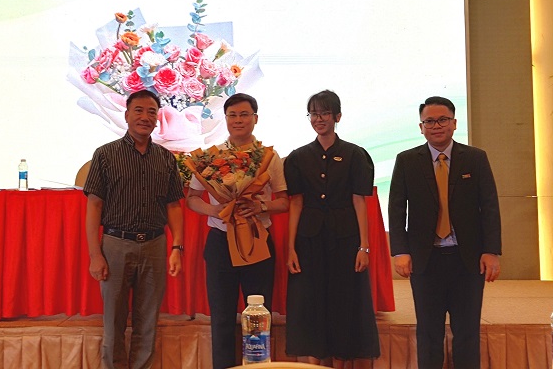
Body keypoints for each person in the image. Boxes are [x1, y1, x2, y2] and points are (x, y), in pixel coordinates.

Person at [388, 96, 502, 369]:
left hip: (468, 259)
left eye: (442, 120)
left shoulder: (475, 158)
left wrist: (491, 251)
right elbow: (396, 208)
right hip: (426, 259)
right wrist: (400, 251)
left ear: (454, 123)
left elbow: (489, 206)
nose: (436, 126)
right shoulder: (407, 160)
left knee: (467, 331)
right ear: (421, 127)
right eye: (429, 121)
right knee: (428, 332)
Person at [186, 93, 289, 369]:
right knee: (221, 317)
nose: (238, 120)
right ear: (226, 119)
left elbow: (283, 201)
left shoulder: (268, 157)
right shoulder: (211, 157)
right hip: (220, 242)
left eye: (244, 115)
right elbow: (192, 199)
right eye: (233, 115)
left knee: (258, 318)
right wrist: (215, 209)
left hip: (257, 240)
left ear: (255, 118)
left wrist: (260, 207)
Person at [84, 89, 185, 369]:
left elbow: (174, 206)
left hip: (154, 244)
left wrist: (177, 246)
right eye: (138, 110)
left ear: (157, 118)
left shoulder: (166, 158)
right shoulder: (105, 155)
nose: (145, 117)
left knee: (147, 321)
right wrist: (95, 255)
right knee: (113, 322)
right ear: (127, 115)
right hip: (116, 244)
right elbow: (94, 206)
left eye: (152, 112)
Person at [284, 90, 380, 368]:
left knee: (344, 303)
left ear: (337, 116)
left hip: (345, 240)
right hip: (309, 241)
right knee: (311, 304)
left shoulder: (355, 154)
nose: (319, 119)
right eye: (314, 114)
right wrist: (291, 248)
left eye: (325, 113)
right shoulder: (298, 157)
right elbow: (296, 203)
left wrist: (364, 247)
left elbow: (359, 201)